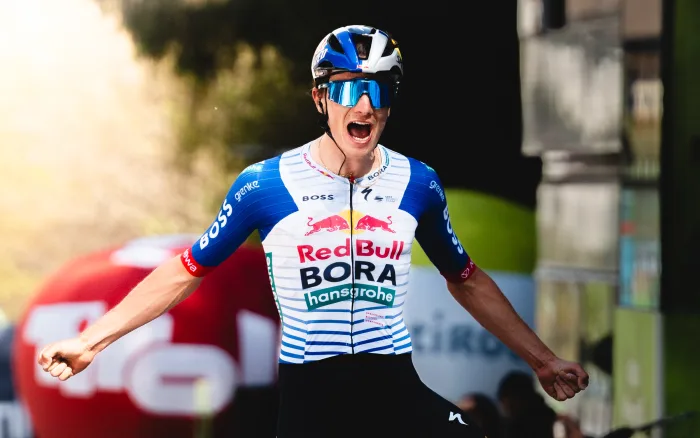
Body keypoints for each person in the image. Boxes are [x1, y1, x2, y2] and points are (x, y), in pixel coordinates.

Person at [37, 25, 589, 438]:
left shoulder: (418, 182)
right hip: (313, 398)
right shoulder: (264, 185)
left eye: (380, 90)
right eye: (348, 90)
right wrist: (90, 340)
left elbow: (465, 279)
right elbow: (186, 271)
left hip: (394, 386)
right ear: (321, 98)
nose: (365, 105)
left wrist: (543, 360)